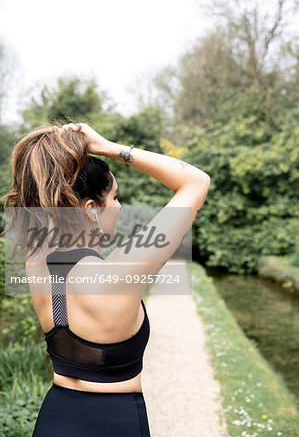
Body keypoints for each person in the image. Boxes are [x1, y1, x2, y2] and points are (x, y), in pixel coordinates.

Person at [1, 122, 210, 436]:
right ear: (89, 210)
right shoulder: (119, 271)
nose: (119, 206)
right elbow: (195, 181)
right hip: (115, 422)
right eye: (113, 197)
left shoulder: (35, 259)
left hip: (54, 418)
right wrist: (108, 146)